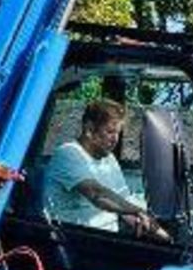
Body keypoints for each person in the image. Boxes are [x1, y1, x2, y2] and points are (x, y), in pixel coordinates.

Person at [43, 98, 169, 240]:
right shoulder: (68, 154)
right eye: (110, 132)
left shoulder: (108, 159)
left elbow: (123, 203)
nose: (115, 139)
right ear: (89, 129)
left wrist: (162, 235)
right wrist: (137, 210)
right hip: (74, 241)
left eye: (118, 133)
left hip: (107, 239)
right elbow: (97, 194)